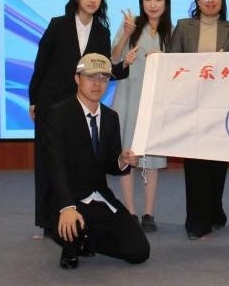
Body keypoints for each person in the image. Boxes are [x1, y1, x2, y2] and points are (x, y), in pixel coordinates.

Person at [28, 0, 130, 235]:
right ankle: (48, 220)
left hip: (79, 107)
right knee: (48, 162)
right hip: (51, 103)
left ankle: (76, 213)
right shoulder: (58, 24)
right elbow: (41, 63)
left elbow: (104, 70)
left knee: (74, 162)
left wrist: (125, 62)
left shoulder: (101, 31)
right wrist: (34, 99)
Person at [44, 53, 150, 269]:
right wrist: (66, 206)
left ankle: (83, 239)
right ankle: (71, 240)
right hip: (67, 196)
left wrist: (122, 160)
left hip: (98, 197)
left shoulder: (111, 117)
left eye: (103, 77)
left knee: (139, 251)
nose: (97, 83)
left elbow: (110, 164)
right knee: (69, 223)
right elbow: (55, 166)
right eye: (91, 77)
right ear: (77, 78)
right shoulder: (58, 114)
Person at [167, 0, 229, 240]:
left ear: (222, 0)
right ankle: (196, 221)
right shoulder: (183, 26)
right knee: (195, 163)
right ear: (197, 0)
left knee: (217, 163)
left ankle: (215, 211)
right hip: (192, 104)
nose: (211, 0)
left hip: (221, 105)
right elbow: (172, 62)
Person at [111, 0, 173, 232]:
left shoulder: (172, 31)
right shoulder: (131, 25)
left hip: (156, 102)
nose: (152, 4)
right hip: (128, 97)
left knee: (152, 159)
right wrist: (126, 35)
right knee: (128, 155)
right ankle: (130, 211)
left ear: (166, 3)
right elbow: (113, 58)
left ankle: (149, 213)